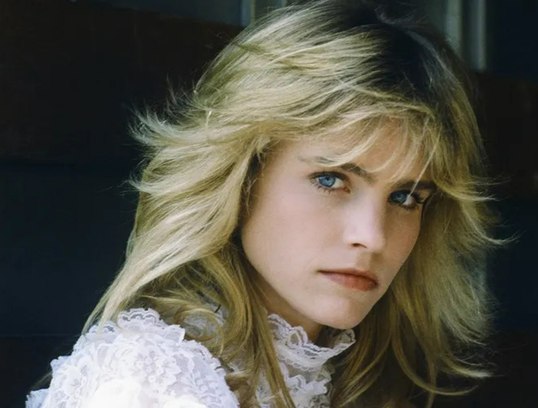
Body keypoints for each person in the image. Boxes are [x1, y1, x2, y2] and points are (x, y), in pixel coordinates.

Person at [27, 0, 495, 406]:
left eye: (405, 196)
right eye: (330, 179)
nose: (372, 236)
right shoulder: (148, 382)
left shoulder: (346, 377)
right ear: (244, 176)